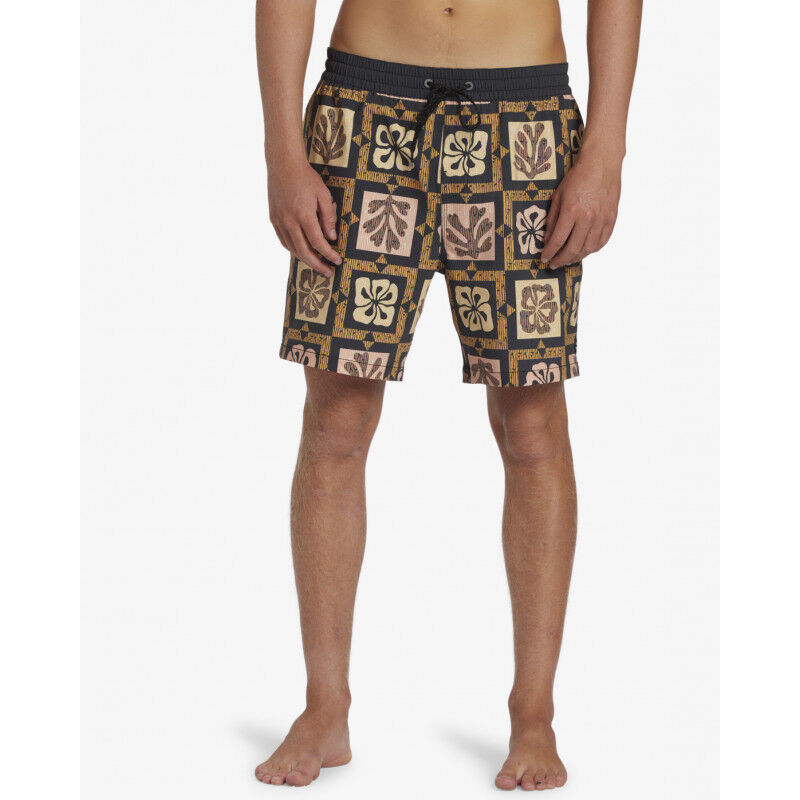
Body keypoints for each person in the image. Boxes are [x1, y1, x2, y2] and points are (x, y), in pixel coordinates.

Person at [254, 0, 640, 790]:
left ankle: (534, 715)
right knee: (337, 417)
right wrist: (282, 150)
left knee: (531, 423)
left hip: (524, 120)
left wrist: (607, 145)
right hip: (364, 113)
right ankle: (325, 707)